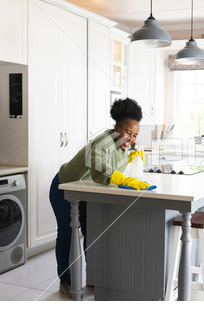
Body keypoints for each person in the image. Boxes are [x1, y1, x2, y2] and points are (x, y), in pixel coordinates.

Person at [49, 98, 151, 297]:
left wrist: (130, 158)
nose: (131, 139)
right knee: (67, 236)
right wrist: (125, 179)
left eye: (135, 135)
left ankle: (94, 277)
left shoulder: (121, 144)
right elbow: (101, 172)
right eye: (128, 133)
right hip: (64, 189)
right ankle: (66, 281)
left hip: (86, 193)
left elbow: (113, 167)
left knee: (92, 235)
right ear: (116, 127)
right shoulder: (101, 143)